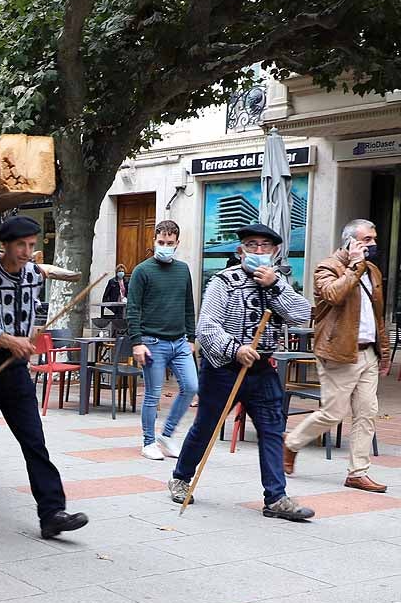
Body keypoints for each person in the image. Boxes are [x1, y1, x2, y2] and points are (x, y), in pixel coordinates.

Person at [0, 215, 89, 537]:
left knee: (34, 440)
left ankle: (52, 512)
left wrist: (26, 342)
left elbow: (31, 318)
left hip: (15, 370)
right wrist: (9, 340)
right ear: (5, 246)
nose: (28, 252)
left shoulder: (33, 276)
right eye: (21, 246)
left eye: (31, 245)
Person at [166, 223, 314, 520]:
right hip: (224, 368)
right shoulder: (223, 281)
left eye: (265, 246)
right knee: (206, 426)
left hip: (262, 369)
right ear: (240, 250)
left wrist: (275, 286)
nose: (259, 251)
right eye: (252, 245)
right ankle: (181, 477)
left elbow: (303, 314)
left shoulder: (280, 283)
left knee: (272, 430)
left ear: (275, 252)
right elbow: (206, 326)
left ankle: (276, 497)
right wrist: (235, 348)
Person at [283, 219, 390, 492]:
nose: (373, 244)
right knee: (333, 413)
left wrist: (385, 354)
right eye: (366, 239)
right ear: (350, 242)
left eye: (373, 239)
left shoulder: (374, 272)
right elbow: (333, 295)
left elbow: (377, 317)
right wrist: (354, 266)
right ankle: (291, 443)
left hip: (368, 353)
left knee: (367, 412)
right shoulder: (328, 267)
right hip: (338, 352)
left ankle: (357, 472)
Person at [128, 220, 198, 461]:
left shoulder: (183, 270)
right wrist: (137, 342)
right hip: (152, 342)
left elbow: (189, 305)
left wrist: (191, 337)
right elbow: (133, 309)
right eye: (161, 242)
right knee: (153, 394)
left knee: (191, 386)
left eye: (170, 243)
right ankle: (148, 442)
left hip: (179, 342)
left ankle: (166, 435)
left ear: (178, 243)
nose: (165, 246)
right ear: (153, 241)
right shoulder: (142, 271)